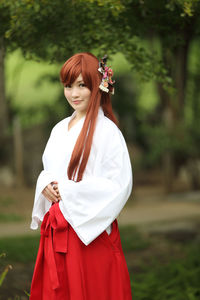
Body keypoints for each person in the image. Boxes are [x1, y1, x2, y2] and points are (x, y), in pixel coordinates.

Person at [30, 52, 133, 300]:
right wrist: (44, 182)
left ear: (97, 86)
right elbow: (50, 170)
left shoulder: (108, 132)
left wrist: (67, 190)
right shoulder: (59, 129)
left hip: (90, 234)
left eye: (82, 85)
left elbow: (118, 185)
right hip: (58, 233)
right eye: (68, 86)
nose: (74, 94)